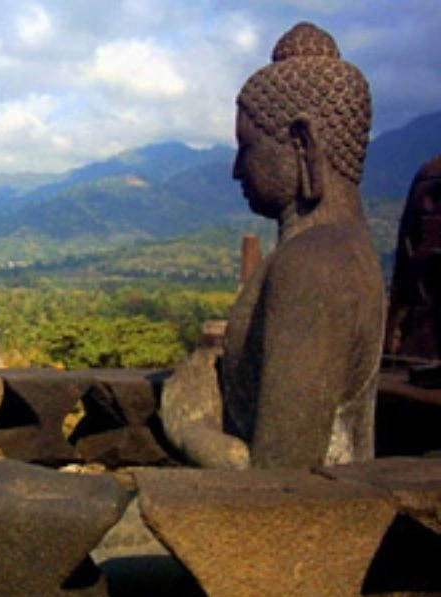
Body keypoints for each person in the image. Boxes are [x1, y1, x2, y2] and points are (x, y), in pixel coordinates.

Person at [160, 22, 385, 468]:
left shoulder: (314, 265)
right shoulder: (345, 250)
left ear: (302, 144)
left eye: (246, 147)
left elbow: (282, 478)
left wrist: (187, 423)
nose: (236, 170)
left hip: (320, 528)